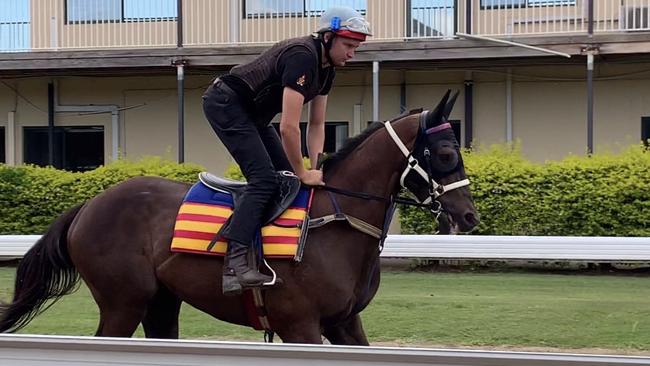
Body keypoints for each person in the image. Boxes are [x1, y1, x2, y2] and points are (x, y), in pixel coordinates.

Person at [202, 6, 372, 296]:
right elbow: (289, 128)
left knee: (288, 179)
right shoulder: (303, 56)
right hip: (226, 104)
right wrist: (302, 171)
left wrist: (315, 168)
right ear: (328, 37)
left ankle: (262, 248)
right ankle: (234, 263)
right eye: (348, 45)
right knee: (265, 180)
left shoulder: (327, 69)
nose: (352, 53)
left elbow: (316, 125)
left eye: (356, 47)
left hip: (254, 116)